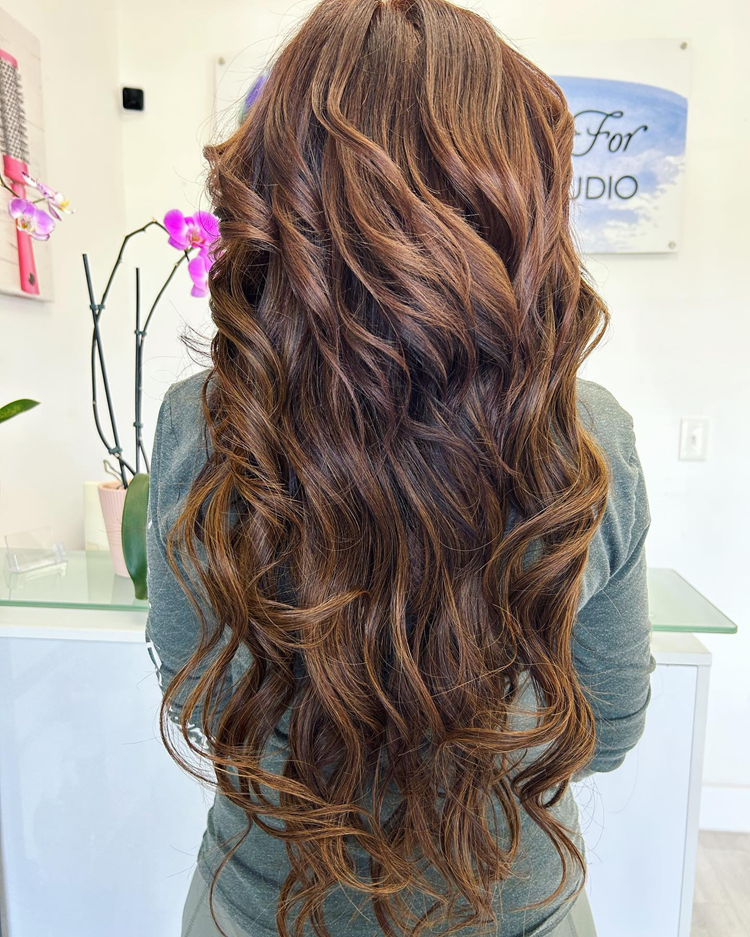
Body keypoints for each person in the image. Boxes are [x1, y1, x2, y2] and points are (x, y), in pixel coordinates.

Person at [145, 0, 655, 934]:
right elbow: (610, 724)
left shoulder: (206, 421)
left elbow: (200, 682)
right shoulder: (590, 439)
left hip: (262, 910)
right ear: (515, 201)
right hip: (516, 908)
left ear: (282, 193)